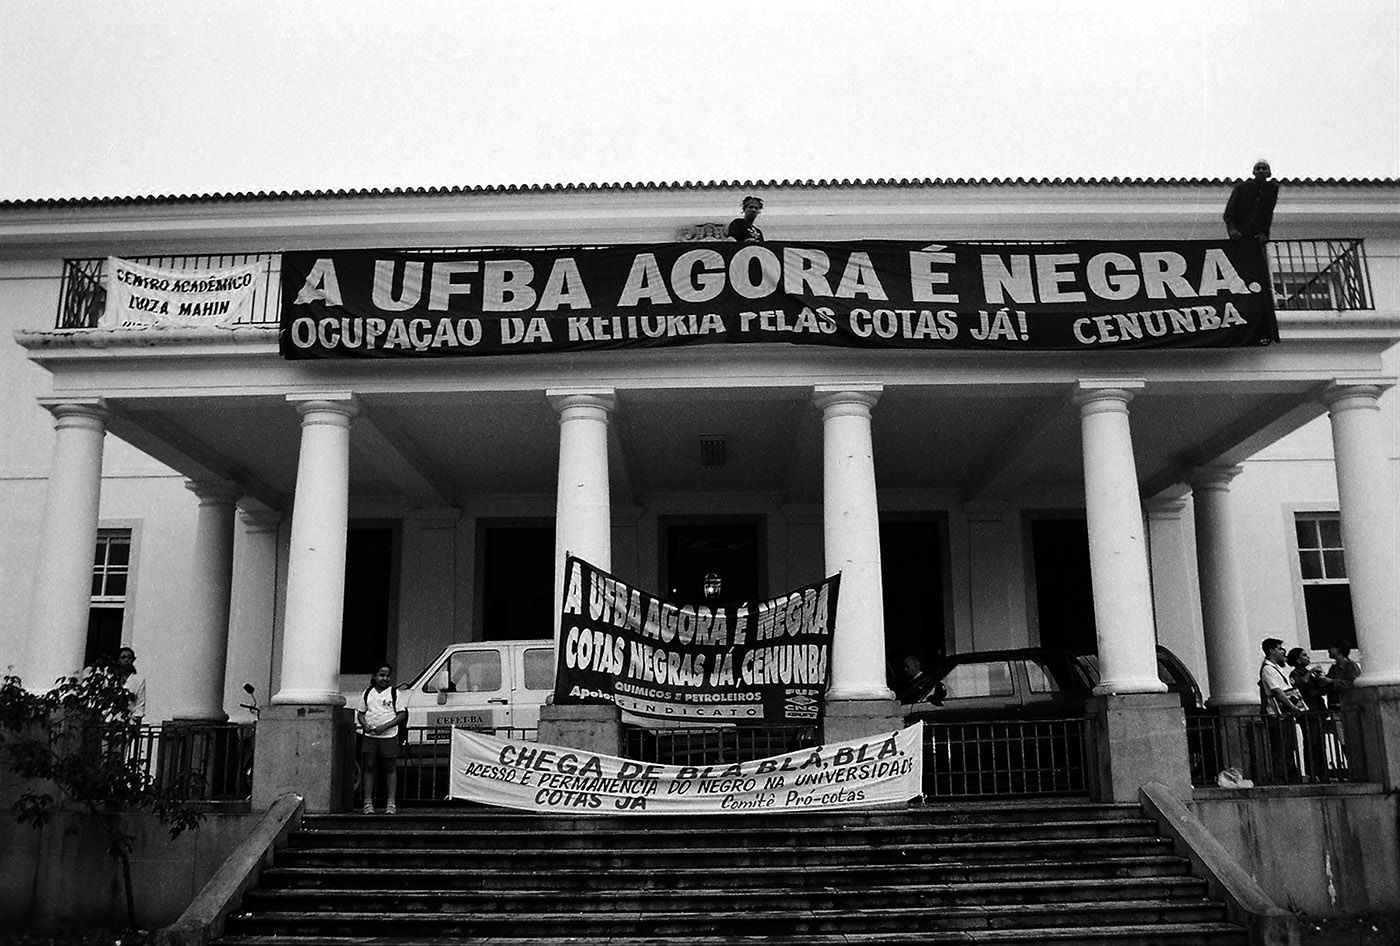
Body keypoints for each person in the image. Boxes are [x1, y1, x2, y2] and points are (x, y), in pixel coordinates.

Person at [358, 664, 406, 815]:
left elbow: (401, 714)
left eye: (387, 676)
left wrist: (385, 726)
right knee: (369, 767)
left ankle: (391, 803)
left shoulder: (394, 693)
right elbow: (361, 713)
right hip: (371, 736)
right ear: (374, 676)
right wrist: (365, 725)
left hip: (389, 735)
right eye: (381, 675)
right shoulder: (367, 693)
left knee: (390, 767)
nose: (385, 678)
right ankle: (367, 803)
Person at [1258, 638, 1304, 783]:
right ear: (1271, 651)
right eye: (1279, 648)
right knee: (1281, 748)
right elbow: (1277, 691)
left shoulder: (1277, 668)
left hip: (1285, 714)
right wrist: (1292, 706)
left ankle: (1290, 776)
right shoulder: (1268, 669)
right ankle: (1282, 777)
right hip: (1277, 714)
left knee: (1288, 747)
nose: (1282, 651)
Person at [1223, 159, 1279, 243]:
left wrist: (1264, 233)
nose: (1261, 171)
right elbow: (1230, 211)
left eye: (1264, 168)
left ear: (1269, 173)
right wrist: (1232, 229)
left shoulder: (1272, 189)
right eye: (1258, 168)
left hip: (1258, 236)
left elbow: (1268, 213)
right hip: (1239, 233)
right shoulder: (1242, 187)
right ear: (1253, 172)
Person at [115, 646, 146, 726]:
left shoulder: (138, 680)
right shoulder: (111, 678)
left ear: (133, 660)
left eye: (129, 657)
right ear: (118, 660)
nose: (126, 660)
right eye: (123, 657)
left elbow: (140, 704)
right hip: (111, 721)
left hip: (129, 722)